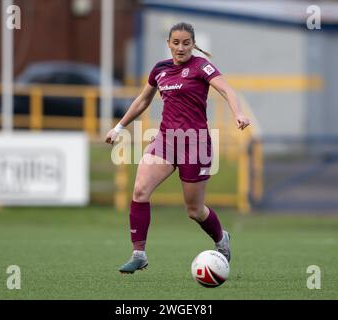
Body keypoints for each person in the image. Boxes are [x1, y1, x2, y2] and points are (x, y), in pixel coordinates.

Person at [105, 22, 250, 274]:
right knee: (140, 190)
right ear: (168, 43)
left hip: (195, 144)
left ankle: (221, 239)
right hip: (165, 139)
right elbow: (143, 100)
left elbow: (227, 90)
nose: (180, 48)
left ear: (193, 44)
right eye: (175, 43)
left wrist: (238, 114)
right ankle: (138, 253)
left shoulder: (201, 67)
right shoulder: (160, 69)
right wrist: (119, 127)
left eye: (186, 43)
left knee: (194, 210)